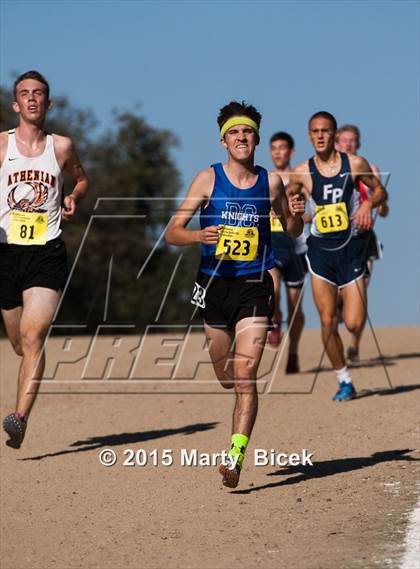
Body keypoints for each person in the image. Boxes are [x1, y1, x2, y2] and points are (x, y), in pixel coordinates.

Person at [165, 101, 304, 487]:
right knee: (226, 376)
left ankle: (235, 455)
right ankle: (235, 431)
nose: (241, 138)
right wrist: (197, 235)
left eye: (247, 132)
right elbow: (172, 231)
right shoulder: (207, 180)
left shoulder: (270, 182)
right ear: (223, 140)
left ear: (256, 138)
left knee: (245, 375)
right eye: (234, 133)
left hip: (256, 285)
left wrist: (294, 213)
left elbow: (292, 230)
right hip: (213, 286)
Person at [0, 70, 88, 448]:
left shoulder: (62, 147)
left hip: (47, 251)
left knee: (34, 336)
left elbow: (81, 178)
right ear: (15, 104)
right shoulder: (2, 146)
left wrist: (74, 196)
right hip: (5, 252)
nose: (32, 99)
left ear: (48, 104)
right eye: (25, 94)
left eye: (39, 94)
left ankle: (19, 418)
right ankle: (28, 360)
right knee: (20, 341)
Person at [288, 111, 387, 401]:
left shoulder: (354, 164)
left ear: (333, 135)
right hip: (320, 251)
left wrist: (368, 206)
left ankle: (350, 300)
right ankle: (344, 379)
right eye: (314, 131)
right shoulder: (301, 172)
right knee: (328, 320)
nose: (320, 135)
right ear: (309, 135)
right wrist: (291, 210)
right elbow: (291, 215)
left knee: (354, 323)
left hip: (352, 250)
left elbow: (380, 191)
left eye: (325, 131)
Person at [335, 124, 389, 361]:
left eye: (353, 140)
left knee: (361, 290)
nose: (348, 144)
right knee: (339, 293)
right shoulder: (331, 171)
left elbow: (384, 209)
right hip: (337, 239)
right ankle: (340, 312)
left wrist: (377, 202)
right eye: (344, 140)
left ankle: (354, 343)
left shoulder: (370, 170)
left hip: (365, 238)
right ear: (337, 144)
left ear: (358, 144)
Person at [267, 132, 308, 373]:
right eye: (273, 148)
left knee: (296, 306)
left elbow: (316, 209)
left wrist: (294, 214)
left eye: (282, 148)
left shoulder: (300, 177)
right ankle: (274, 320)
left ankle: (293, 352)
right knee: (271, 291)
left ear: (291, 151)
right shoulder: (267, 180)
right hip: (271, 244)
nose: (277, 152)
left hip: (297, 247)